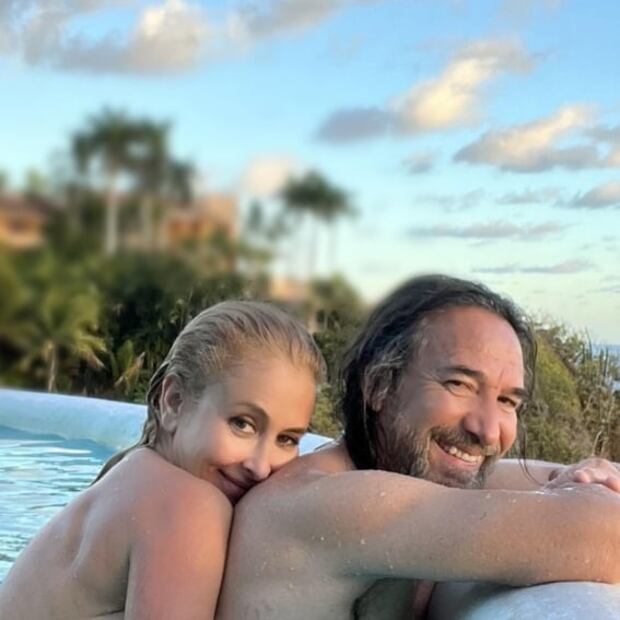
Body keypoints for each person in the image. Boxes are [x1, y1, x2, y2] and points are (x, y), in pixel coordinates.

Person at [218, 275, 620, 620]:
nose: (487, 431)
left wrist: (591, 471)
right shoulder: (326, 501)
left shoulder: (411, 473)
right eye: (459, 384)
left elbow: (545, 478)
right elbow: (606, 537)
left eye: (507, 401)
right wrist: (585, 502)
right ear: (379, 385)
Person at [0, 301, 325, 620]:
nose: (261, 466)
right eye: (242, 424)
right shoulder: (187, 505)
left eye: (287, 439)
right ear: (174, 401)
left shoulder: (135, 475)